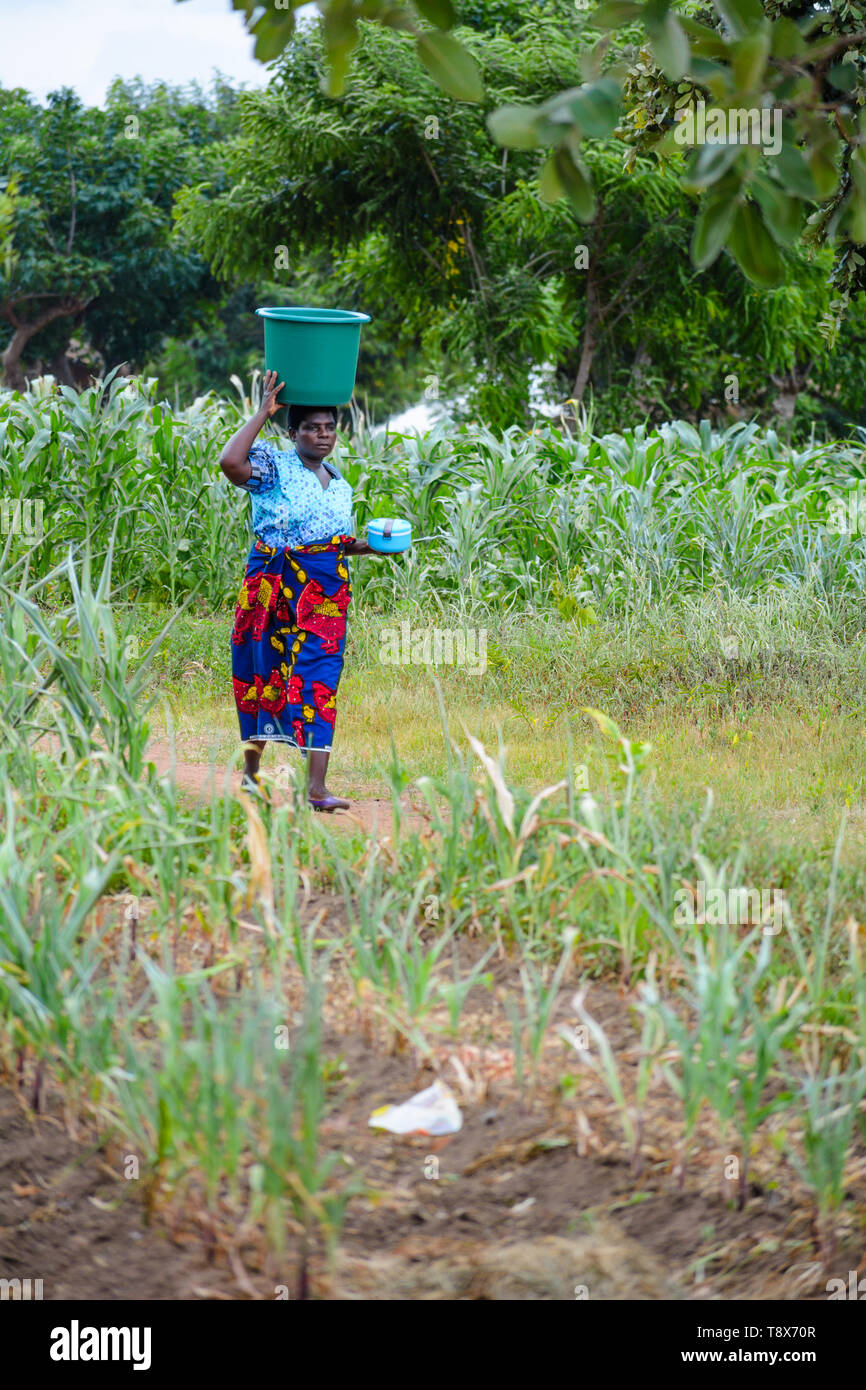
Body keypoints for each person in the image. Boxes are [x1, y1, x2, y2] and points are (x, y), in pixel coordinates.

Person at [218, 370, 388, 811]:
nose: (323, 435)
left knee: (321, 676)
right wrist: (261, 413)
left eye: (330, 428)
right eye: (312, 427)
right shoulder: (273, 467)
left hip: (325, 591)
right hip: (272, 586)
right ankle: (252, 776)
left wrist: (370, 547)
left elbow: (334, 542)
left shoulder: (340, 482)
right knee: (262, 670)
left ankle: (316, 789)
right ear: (293, 432)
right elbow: (230, 464)